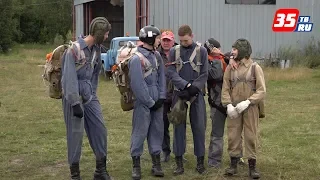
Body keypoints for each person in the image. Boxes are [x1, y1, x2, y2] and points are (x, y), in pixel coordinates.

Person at [61, 17, 112, 180]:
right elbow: (68, 78)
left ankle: (100, 171)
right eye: (105, 33)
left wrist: (93, 93)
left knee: (100, 129)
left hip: (90, 97)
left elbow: (96, 74)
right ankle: (75, 175)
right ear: (98, 33)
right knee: (75, 135)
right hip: (73, 97)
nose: (106, 36)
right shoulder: (74, 50)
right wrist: (75, 102)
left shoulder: (97, 50)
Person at [221, 38, 266, 179]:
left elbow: (262, 90)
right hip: (234, 107)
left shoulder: (255, 67)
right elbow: (225, 88)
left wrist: (248, 102)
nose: (232, 52)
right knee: (233, 135)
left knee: (251, 135)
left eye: (235, 49)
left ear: (242, 50)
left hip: (250, 107)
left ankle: (252, 166)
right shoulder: (230, 67)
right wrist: (228, 104)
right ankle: (233, 164)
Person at [167, 24, 208, 175]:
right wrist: (184, 86)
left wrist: (193, 88)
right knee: (178, 128)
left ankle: (200, 163)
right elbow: (171, 71)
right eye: (181, 41)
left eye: (186, 40)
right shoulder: (173, 51)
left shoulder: (201, 51)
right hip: (179, 93)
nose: (184, 43)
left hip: (196, 94)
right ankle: (179, 162)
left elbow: (204, 73)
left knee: (199, 127)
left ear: (192, 35)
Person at [129, 25, 166, 179]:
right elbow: (137, 85)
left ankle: (156, 164)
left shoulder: (157, 56)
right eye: (158, 38)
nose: (159, 41)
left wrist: (162, 96)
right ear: (151, 38)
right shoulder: (136, 58)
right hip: (143, 101)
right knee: (139, 132)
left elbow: (162, 77)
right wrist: (150, 102)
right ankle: (136, 165)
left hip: (157, 98)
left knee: (157, 131)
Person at [157, 30, 177, 162]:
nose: (165, 43)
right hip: (162, 95)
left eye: (168, 40)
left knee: (178, 124)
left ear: (173, 41)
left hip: (176, 94)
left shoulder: (179, 53)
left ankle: (178, 152)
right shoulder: (156, 54)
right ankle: (165, 151)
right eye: (164, 40)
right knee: (163, 125)